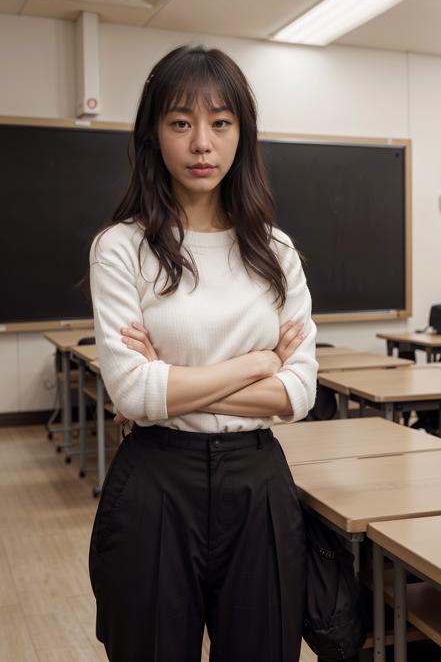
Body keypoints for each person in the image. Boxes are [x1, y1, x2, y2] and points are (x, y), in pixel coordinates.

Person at [88, 43, 318, 662]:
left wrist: (171, 378)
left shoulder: (275, 251)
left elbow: (300, 395)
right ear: (153, 134)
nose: (201, 144)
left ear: (242, 134)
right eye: (180, 123)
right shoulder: (122, 248)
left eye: (220, 123)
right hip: (157, 483)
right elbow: (131, 395)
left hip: (258, 482)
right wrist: (258, 361)